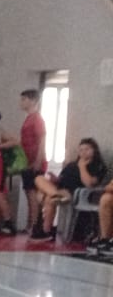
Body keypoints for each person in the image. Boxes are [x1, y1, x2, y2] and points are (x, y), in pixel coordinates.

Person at [34, 137, 108, 243]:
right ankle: (55, 195)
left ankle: (46, 231)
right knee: (39, 178)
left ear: (94, 150)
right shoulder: (71, 165)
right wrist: (54, 179)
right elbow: (61, 179)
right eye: (81, 150)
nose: (83, 152)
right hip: (59, 189)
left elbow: (89, 183)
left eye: (87, 149)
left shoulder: (98, 166)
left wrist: (82, 167)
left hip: (72, 193)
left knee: (48, 199)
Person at [19, 90, 49, 238]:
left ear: (32, 101)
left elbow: (42, 139)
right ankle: (30, 224)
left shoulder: (37, 118)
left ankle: (35, 225)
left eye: (23, 99)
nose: (21, 103)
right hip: (27, 162)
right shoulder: (28, 118)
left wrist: (38, 160)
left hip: (35, 162)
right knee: (28, 193)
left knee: (33, 194)